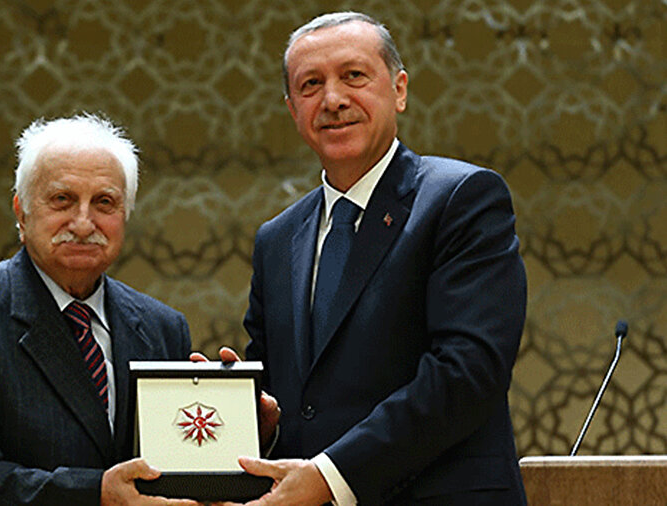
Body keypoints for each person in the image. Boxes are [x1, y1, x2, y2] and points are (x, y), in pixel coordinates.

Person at [225, 11, 527, 505]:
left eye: (354, 76)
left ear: (399, 89)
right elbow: (292, 403)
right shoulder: (277, 239)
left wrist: (328, 477)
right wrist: (253, 417)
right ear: (292, 109)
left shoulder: (462, 198)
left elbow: (467, 373)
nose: (333, 99)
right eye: (311, 85)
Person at [0, 113, 200, 506]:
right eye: (62, 199)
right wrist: (94, 494)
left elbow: (176, 468)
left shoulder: (163, 327)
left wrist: (239, 424)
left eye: (104, 202)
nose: (84, 223)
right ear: (21, 212)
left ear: (125, 215)